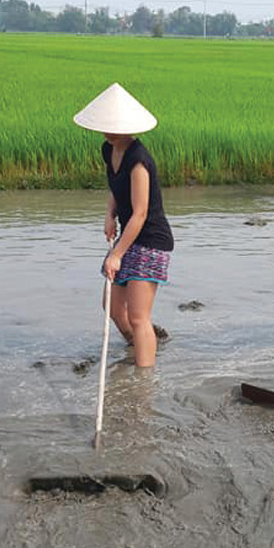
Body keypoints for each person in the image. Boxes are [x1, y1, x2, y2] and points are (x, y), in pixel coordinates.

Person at [73, 83, 174, 368]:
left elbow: (141, 213)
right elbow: (116, 191)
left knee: (139, 316)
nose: (106, 131)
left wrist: (116, 254)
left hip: (150, 240)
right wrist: (109, 214)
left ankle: (143, 383)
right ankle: (139, 345)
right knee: (114, 309)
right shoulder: (109, 150)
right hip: (129, 236)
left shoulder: (139, 161)